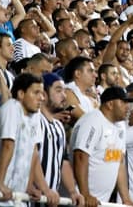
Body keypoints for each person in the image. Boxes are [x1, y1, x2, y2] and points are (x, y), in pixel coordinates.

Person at [0, 72, 60, 207]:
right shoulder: (11, 107)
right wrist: (1, 183)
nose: (41, 98)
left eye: (42, 93)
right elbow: (7, 145)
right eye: (36, 93)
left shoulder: (35, 114)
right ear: (21, 94)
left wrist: (35, 187)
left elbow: (33, 153)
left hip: (18, 198)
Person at [70, 86, 133, 207]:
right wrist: (85, 194)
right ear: (110, 104)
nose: (127, 107)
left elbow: (119, 163)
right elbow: (80, 156)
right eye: (123, 102)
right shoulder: (93, 120)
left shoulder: (120, 127)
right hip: (79, 201)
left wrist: (126, 199)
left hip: (100, 202)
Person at [38, 73, 83, 206]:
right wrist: (44, 189)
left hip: (51, 198)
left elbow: (63, 161)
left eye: (64, 91)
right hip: (31, 197)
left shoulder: (58, 126)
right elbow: (31, 158)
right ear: (44, 94)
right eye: (58, 91)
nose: (64, 96)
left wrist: (73, 191)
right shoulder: (35, 121)